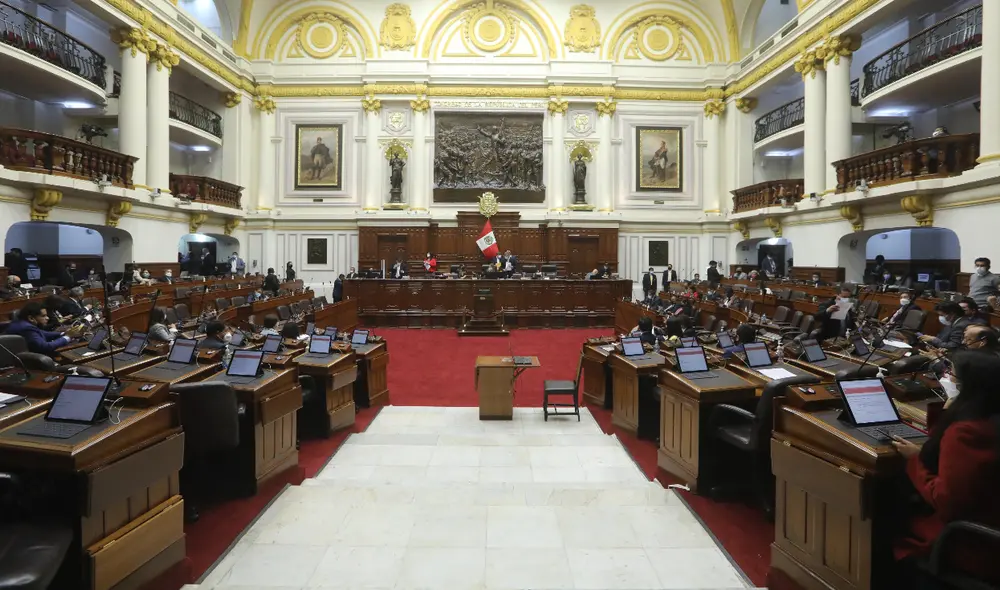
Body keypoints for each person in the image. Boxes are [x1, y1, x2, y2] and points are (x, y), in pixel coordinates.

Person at [890, 350, 1000, 587]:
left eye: (952, 375)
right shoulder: (989, 419)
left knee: (884, 516)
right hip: (990, 522)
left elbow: (945, 501)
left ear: (971, 387)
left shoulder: (968, 432)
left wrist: (914, 460)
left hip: (972, 544)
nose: (947, 378)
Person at [4, 301, 79, 356]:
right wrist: (68, 337)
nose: (47, 318)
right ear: (31, 318)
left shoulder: (21, 323)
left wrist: (64, 333)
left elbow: (43, 333)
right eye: (43, 316)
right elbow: (45, 347)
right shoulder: (26, 328)